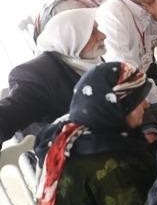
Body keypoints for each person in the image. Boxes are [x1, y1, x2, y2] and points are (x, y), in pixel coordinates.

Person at [36, 62, 157, 205]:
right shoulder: (113, 166)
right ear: (117, 107)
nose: (146, 105)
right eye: (139, 101)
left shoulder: (74, 131)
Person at [0, 9, 105, 141]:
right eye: (92, 32)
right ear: (71, 40)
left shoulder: (89, 59)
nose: (102, 35)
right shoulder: (37, 75)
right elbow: (10, 113)